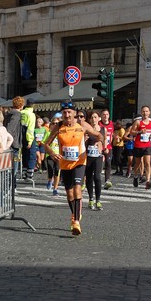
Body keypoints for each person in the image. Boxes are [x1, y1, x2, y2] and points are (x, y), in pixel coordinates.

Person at [43, 101, 103, 236]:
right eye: (64, 112)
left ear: (75, 114)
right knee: (69, 194)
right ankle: (75, 213)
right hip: (65, 164)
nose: (67, 115)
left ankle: (76, 221)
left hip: (79, 162)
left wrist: (100, 143)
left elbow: (98, 135)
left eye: (69, 112)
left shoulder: (82, 125)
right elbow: (46, 144)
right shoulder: (58, 127)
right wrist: (52, 154)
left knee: (77, 189)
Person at [129, 105, 151, 189]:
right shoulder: (138, 122)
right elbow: (131, 132)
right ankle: (136, 176)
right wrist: (140, 131)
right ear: (141, 112)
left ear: (149, 112)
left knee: (148, 163)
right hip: (138, 145)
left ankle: (148, 181)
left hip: (147, 145)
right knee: (138, 163)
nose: (145, 113)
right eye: (143, 111)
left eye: (147, 111)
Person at [85, 111, 107, 210]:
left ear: (99, 118)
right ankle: (90, 199)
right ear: (89, 119)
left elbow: (105, 140)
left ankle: (98, 200)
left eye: (95, 117)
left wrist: (105, 148)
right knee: (89, 177)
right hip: (88, 156)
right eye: (92, 117)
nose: (94, 119)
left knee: (97, 177)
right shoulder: (87, 129)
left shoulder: (103, 129)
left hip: (98, 156)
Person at [45, 114, 62, 196]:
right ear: (50, 125)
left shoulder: (61, 134)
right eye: (53, 123)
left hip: (59, 155)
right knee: (51, 169)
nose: (55, 125)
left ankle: (55, 189)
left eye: (57, 124)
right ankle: (49, 180)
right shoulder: (48, 134)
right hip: (50, 155)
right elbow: (44, 143)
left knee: (57, 171)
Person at [20, 98, 36, 180]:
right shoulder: (31, 115)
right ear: (33, 105)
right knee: (32, 154)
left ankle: (24, 172)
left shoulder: (21, 112)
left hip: (21, 136)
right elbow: (30, 129)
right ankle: (29, 174)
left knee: (24, 154)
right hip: (28, 136)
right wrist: (30, 141)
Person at [99, 109, 114, 189]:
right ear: (101, 116)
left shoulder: (111, 124)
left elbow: (111, 135)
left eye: (107, 114)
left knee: (108, 163)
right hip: (100, 147)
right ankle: (96, 179)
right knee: (99, 164)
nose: (105, 116)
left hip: (108, 147)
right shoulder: (99, 124)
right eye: (104, 114)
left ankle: (107, 180)